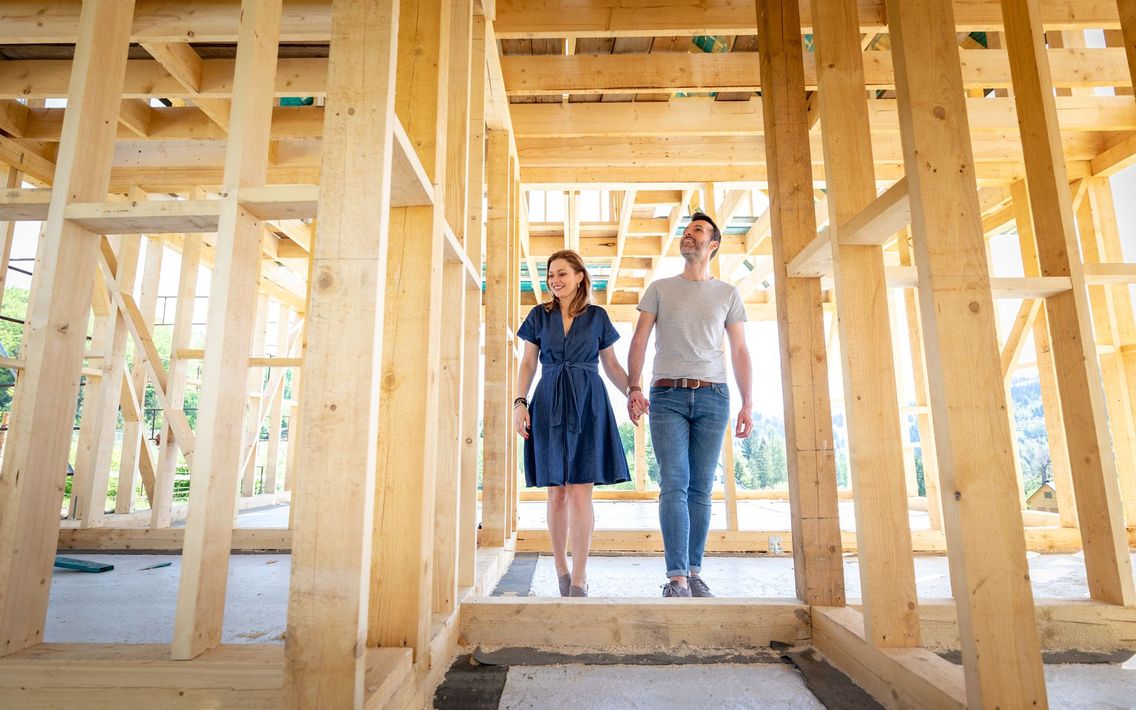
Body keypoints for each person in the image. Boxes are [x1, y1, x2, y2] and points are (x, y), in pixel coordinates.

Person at [627, 212, 754, 598]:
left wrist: (748, 402)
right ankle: (677, 579)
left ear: (712, 245)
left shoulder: (728, 293)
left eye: (696, 230)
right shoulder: (660, 289)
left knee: (701, 487)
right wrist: (633, 387)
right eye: (685, 231)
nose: (688, 234)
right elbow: (639, 339)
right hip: (667, 396)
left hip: (715, 396)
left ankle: (694, 572)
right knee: (674, 482)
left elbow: (740, 350)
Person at [514, 249, 638, 597]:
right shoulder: (538, 316)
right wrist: (520, 403)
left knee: (581, 492)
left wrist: (633, 392)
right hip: (548, 401)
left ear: (580, 276)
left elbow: (612, 365)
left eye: (562, 273)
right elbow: (528, 363)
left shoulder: (598, 317)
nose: (555, 280)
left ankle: (580, 576)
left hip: (589, 403)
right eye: (551, 274)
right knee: (556, 492)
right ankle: (561, 570)